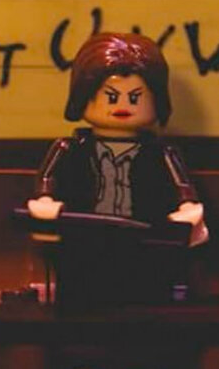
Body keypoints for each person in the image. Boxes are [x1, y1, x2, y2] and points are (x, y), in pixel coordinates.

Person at [26, 32, 208, 246]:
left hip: (143, 240)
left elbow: (183, 190)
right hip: (83, 239)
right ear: (83, 96)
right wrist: (46, 203)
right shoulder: (70, 149)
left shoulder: (160, 153)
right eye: (111, 97)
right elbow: (47, 182)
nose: (122, 106)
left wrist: (188, 211)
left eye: (134, 98)